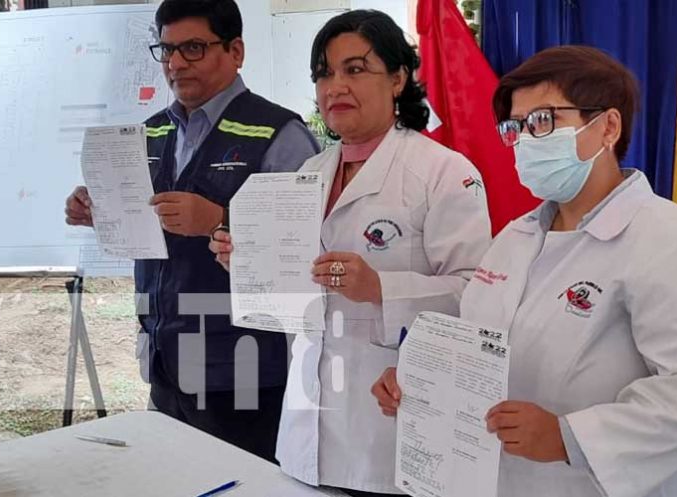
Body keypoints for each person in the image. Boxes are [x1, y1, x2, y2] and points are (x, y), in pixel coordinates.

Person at [372, 46, 677, 496]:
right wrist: (420, 376)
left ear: (607, 127)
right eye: (516, 127)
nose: (527, 141)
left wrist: (570, 437)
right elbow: (477, 341)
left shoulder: (661, 237)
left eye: (544, 120)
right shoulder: (515, 238)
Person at [210, 10, 491, 496]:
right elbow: (298, 296)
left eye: (355, 69)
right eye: (324, 73)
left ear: (399, 78)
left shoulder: (443, 172)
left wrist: (381, 288)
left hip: (388, 429)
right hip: (306, 424)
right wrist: (250, 264)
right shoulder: (308, 174)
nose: (335, 86)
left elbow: (478, 296)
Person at [64, 0, 319, 463]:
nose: (176, 63)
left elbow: (308, 248)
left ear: (236, 51)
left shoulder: (279, 135)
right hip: (165, 361)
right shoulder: (149, 133)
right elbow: (139, 229)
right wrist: (97, 208)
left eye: (194, 48)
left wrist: (220, 219)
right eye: (167, 50)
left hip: (245, 371)